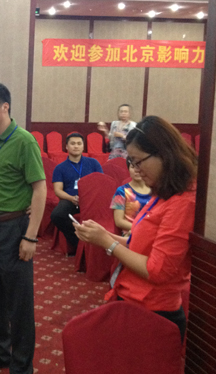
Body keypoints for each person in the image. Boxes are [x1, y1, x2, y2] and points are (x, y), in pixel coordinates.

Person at [74, 116, 197, 342]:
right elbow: (139, 244)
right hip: (133, 299)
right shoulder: (162, 193)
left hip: (154, 310)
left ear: (163, 154)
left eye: (138, 161)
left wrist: (108, 243)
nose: (136, 170)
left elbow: (156, 270)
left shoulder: (183, 202)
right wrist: (102, 236)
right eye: (131, 162)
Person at [0, 83, 46, 374]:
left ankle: (21, 365)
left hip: (13, 230)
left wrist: (31, 236)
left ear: (5, 107)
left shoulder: (24, 141)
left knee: (19, 302)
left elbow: (39, 189)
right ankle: (0, 353)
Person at [50, 133, 103, 251]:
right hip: (70, 200)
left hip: (91, 200)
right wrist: (71, 198)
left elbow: (101, 184)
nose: (76, 146)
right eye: (72, 143)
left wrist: (91, 198)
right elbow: (58, 190)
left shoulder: (93, 163)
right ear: (67, 147)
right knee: (57, 215)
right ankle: (79, 243)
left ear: (83, 147)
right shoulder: (60, 168)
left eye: (79, 144)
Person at [110, 159, 151, 236]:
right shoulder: (121, 191)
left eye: (140, 166)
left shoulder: (156, 189)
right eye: (133, 167)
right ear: (128, 169)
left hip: (152, 232)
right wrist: (140, 228)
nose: (137, 170)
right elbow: (119, 221)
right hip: (131, 233)